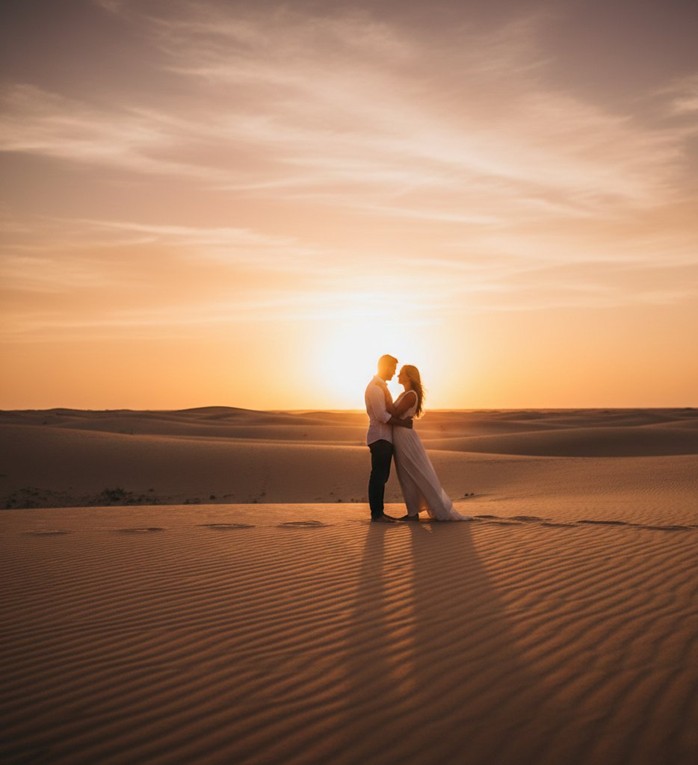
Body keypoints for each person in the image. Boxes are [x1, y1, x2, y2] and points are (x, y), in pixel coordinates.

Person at [384, 365, 471, 521]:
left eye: (401, 373)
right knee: (405, 475)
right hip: (400, 435)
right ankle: (412, 512)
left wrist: (384, 395)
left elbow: (394, 413)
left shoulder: (410, 395)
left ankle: (425, 510)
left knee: (414, 472)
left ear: (409, 377)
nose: (398, 376)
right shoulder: (406, 393)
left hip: (405, 438)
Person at [364, 355, 414, 523]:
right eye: (392, 368)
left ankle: (379, 513)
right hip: (379, 438)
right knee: (378, 476)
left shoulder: (381, 387)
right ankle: (377, 515)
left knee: (382, 476)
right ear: (384, 367)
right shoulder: (375, 388)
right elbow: (381, 416)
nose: (394, 372)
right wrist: (402, 423)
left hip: (385, 439)